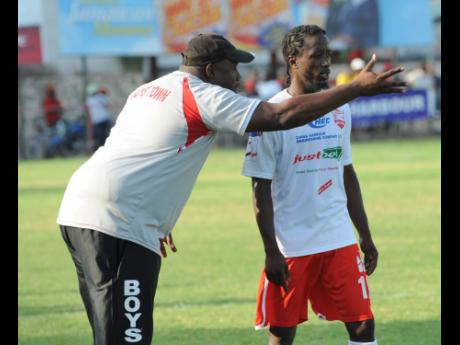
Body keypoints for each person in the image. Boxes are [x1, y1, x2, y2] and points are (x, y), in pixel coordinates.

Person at [57, 33, 405, 345]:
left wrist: (154, 217)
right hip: (119, 221)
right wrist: (356, 88)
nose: (237, 78)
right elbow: (280, 117)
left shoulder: (151, 88)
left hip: (83, 210)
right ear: (210, 71)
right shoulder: (203, 95)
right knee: (129, 335)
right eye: (231, 69)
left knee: (110, 327)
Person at [242, 25, 379, 345]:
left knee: (362, 326)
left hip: (338, 238)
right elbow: (259, 190)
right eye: (317, 55)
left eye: (328, 54)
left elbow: (347, 174)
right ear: (293, 60)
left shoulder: (339, 107)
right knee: (283, 332)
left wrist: (365, 234)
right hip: (292, 246)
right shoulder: (269, 117)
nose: (326, 62)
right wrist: (271, 252)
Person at [85, 83, 112, 152]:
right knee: (100, 137)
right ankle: (102, 150)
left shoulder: (101, 96)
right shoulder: (90, 99)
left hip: (104, 119)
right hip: (97, 121)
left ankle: (108, 149)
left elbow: (107, 104)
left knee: (107, 135)